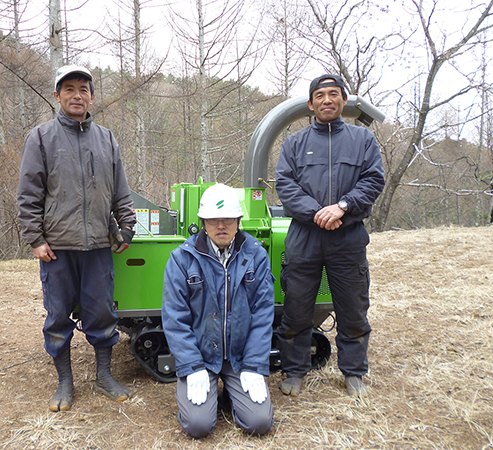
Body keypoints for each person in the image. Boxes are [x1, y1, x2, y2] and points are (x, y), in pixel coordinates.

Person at [17, 64, 136, 412]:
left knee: (101, 312)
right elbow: (28, 194)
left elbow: (121, 192)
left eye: (83, 89)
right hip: (57, 248)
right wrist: (35, 238)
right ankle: (65, 382)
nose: (76, 95)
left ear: (92, 97)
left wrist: (126, 226)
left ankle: (103, 376)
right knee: (57, 316)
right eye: (69, 89)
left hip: (99, 245)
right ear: (57, 96)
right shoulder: (41, 138)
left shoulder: (107, 138)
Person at [274, 74, 385, 397]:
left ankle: (353, 373)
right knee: (296, 308)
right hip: (304, 238)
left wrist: (343, 207)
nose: (326, 100)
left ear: (342, 101)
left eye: (333, 94)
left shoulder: (362, 141)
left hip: (347, 237)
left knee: (353, 308)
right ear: (311, 104)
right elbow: (285, 185)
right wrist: (318, 213)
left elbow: (372, 180)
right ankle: (294, 371)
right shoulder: (294, 144)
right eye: (320, 95)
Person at [161, 183, 274, 438]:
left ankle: (234, 395)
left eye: (228, 219)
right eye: (213, 220)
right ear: (203, 222)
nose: (221, 226)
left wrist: (255, 365)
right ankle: (209, 389)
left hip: (240, 357)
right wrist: (192, 366)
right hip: (201, 357)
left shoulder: (256, 256)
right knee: (198, 427)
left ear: (238, 221)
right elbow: (174, 318)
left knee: (259, 423)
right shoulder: (182, 259)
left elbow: (263, 315)